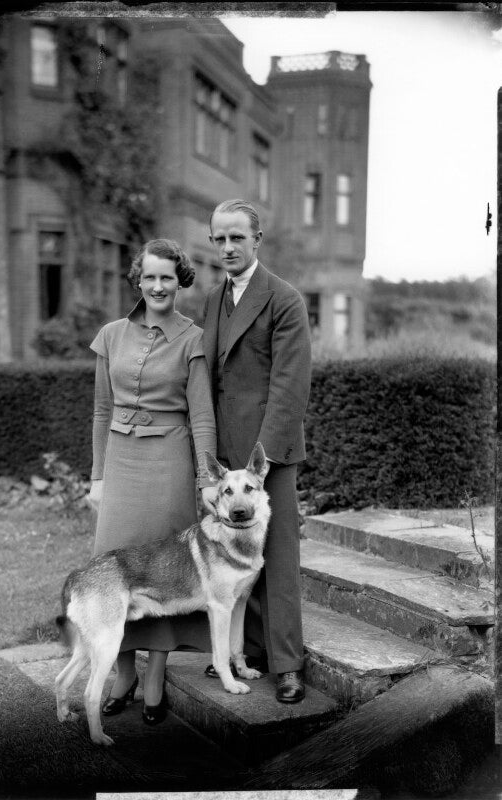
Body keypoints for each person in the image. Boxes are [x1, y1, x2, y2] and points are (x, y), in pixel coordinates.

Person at [87, 238, 216, 725]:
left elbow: (202, 416)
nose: (158, 286)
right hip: (120, 465)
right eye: (149, 277)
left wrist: (205, 478)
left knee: (163, 571)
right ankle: (124, 674)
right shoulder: (111, 335)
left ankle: (157, 674)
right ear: (138, 280)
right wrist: (97, 476)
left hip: (169, 465)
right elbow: (102, 410)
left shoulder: (193, 339)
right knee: (112, 571)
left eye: (167, 277)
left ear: (180, 281)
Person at [200, 199, 312, 704]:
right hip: (224, 454)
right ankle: (246, 652)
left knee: (278, 555)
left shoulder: (284, 299)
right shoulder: (211, 299)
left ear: (257, 240)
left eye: (237, 238)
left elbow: (290, 388)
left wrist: (259, 467)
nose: (227, 248)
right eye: (219, 239)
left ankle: (287, 664)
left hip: (269, 457)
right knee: (230, 551)